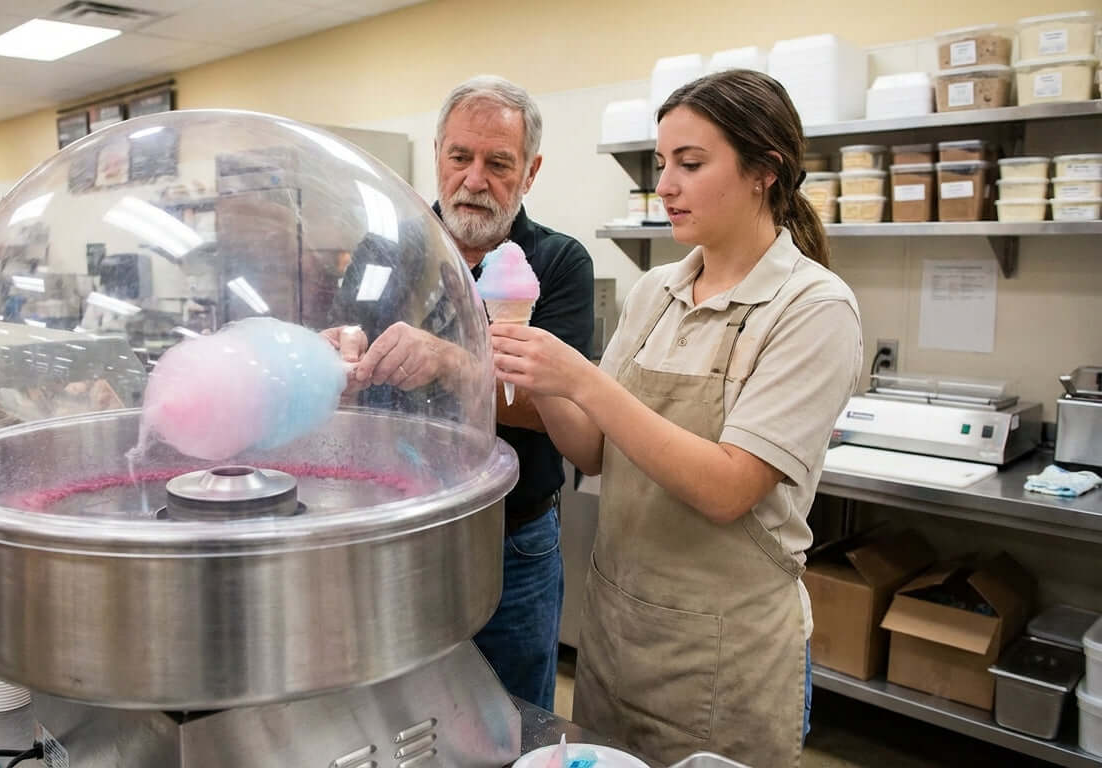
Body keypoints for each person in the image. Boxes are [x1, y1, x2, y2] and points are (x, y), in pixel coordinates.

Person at [489, 69, 862, 766]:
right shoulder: (659, 290)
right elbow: (595, 450)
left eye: (690, 164)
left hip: (721, 659)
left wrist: (583, 380)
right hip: (617, 639)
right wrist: (538, 380)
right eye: (663, 164)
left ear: (764, 173)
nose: (665, 185)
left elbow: (728, 487)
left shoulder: (812, 308)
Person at [331, 75, 594, 711]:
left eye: (498, 163)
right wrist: (332, 354)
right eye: (460, 157)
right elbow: (345, 367)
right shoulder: (384, 249)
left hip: (512, 543)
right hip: (395, 527)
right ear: (438, 155)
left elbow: (564, 415)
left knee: (508, 716)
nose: (474, 180)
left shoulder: (558, 264)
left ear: (530, 173)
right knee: (398, 711)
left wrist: (454, 361)